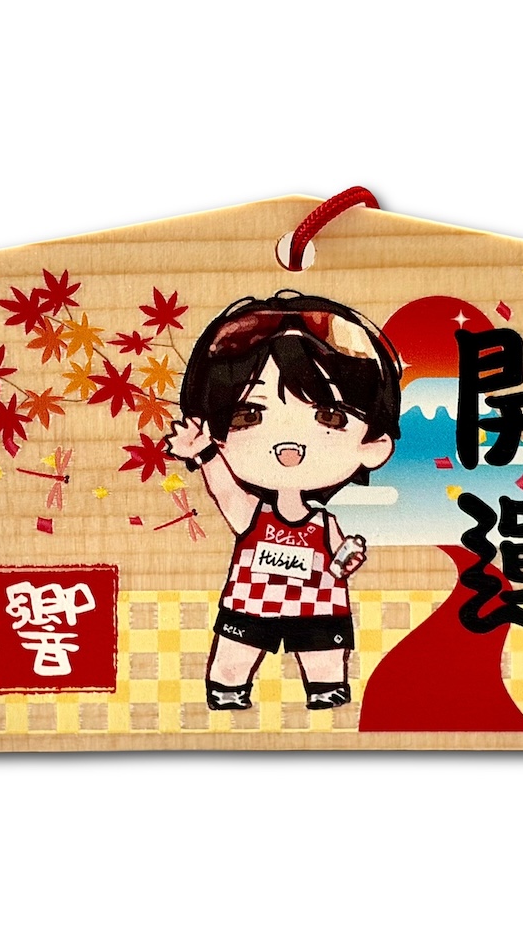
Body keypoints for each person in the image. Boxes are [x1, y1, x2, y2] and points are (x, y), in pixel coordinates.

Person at [166, 291, 401, 710]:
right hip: (250, 604)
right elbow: (223, 488)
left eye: (329, 417)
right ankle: (227, 690)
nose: (289, 447)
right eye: (248, 415)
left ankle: (327, 688)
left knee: (324, 657)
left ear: (373, 445)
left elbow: (339, 563)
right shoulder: (251, 513)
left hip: (317, 606)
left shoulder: (324, 523)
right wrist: (203, 455)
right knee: (234, 657)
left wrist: (348, 558)